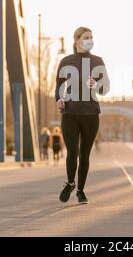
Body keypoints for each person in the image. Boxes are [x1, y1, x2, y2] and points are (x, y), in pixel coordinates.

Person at [55, 26, 110, 204]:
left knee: (84, 153)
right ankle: (70, 183)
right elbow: (59, 86)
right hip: (70, 113)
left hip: (91, 114)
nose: (90, 40)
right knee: (72, 152)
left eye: (91, 37)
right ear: (77, 40)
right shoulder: (66, 61)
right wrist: (58, 99)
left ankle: (80, 191)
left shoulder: (98, 61)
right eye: (86, 37)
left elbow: (105, 88)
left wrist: (97, 84)